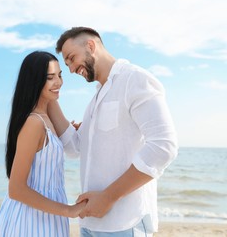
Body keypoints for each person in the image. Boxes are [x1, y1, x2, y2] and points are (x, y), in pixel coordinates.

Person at [48, 27, 178, 236]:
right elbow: (75, 148)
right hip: (90, 223)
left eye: (72, 58)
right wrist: (49, 99)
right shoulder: (96, 98)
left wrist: (108, 197)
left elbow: (164, 147)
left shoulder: (134, 80)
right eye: (67, 64)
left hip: (125, 223)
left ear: (91, 46)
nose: (71, 69)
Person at [0, 51, 86, 237]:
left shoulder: (47, 110)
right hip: (30, 219)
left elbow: (69, 141)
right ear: (34, 81)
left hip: (49, 215)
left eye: (60, 75)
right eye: (50, 77)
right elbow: (16, 189)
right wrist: (69, 210)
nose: (58, 82)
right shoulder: (34, 122)